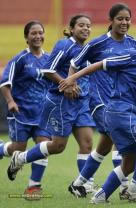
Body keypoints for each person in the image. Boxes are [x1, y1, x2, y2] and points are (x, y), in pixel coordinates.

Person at [58, 26, 136, 203]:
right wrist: (73, 78)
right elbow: (100, 64)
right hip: (119, 110)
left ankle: (99, 197)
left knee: (130, 162)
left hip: (132, 112)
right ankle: (133, 191)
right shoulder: (133, 56)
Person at [6, 14, 96, 193]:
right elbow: (47, 69)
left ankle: (84, 184)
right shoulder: (64, 45)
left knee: (87, 144)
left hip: (81, 104)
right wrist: (66, 83)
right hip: (62, 102)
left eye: (88, 26)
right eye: (81, 25)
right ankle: (21, 158)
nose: (85, 28)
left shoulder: (87, 48)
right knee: (58, 146)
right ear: (71, 29)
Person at [0, 21, 51, 199]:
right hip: (21, 112)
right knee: (18, 149)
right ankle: (1, 149)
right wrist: (10, 101)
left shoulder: (49, 59)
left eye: (40, 33)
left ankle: (33, 186)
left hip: (43, 113)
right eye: (33, 33)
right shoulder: (20, 59)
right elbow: (5, 84)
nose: (37, 36)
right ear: (26, 37)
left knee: (43, 147)